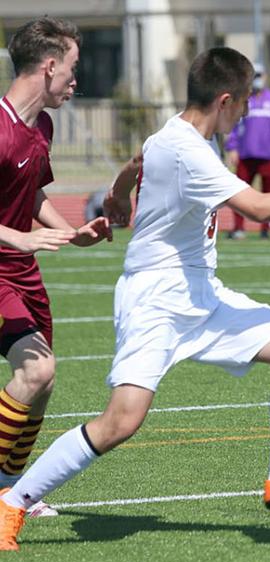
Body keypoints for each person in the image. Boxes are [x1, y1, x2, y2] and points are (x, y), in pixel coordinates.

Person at [0, 46, 270, 552]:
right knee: (120, 422)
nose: (249, 111)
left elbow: (139, 161)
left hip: (199, 292)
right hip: (157, 299)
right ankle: (12, 503)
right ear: (225, 100)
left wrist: (119, 193)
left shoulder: (176, 135)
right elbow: (258, 207)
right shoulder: (187, 148)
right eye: (246, 101)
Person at [0, 17, 113, 519]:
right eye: (71, 68)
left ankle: (12, 489)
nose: (75, 80)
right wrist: (20, 237)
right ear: (48, 66)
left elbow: (34, 193)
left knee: (44, 383)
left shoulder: (41, 125)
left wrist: (71, 231)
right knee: (35, 368)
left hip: (23, 270)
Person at [224, 63, 270, 240]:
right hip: (246, 154)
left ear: (264, 77)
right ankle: (239, 228)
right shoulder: (242, 100)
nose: (256, 80)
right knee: (239, 194)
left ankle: (266, 229)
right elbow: (233, 125)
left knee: (268, 195)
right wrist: (232, 147)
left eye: (259, 75)